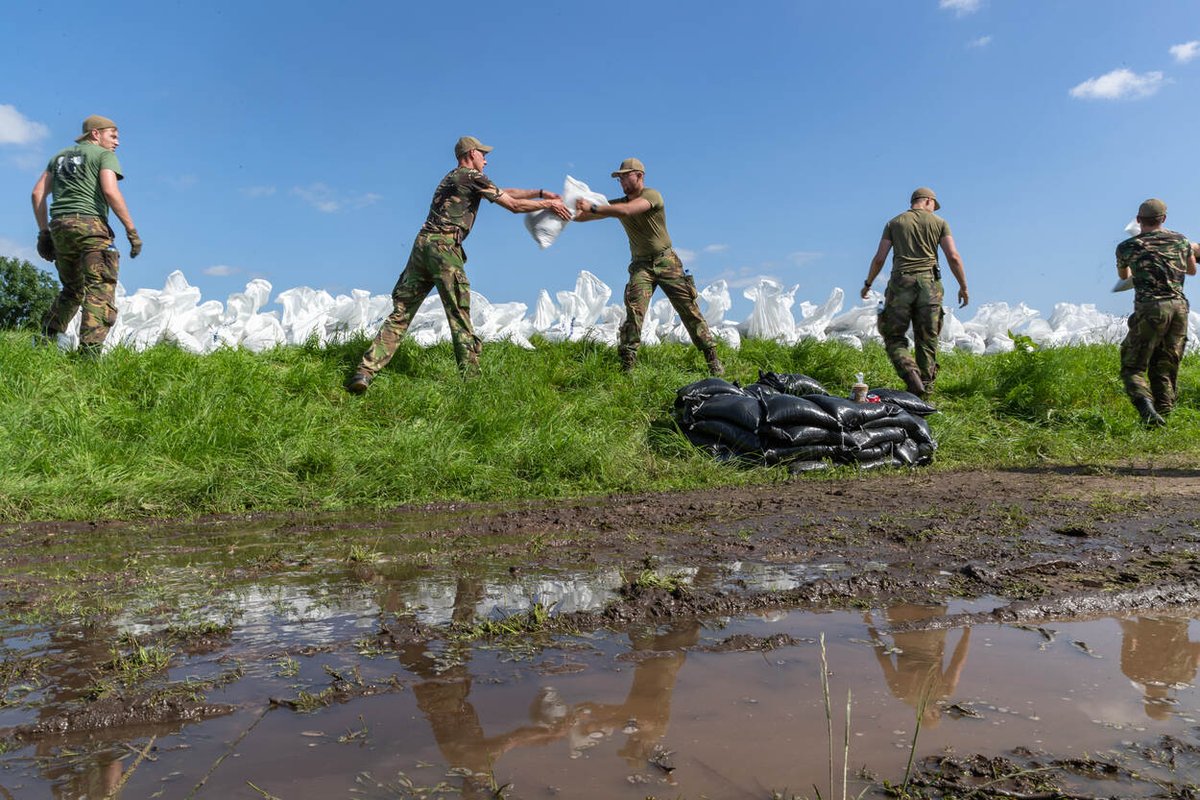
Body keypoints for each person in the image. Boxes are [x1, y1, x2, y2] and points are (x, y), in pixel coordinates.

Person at [346, 136, 569, 393]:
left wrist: (540, 192)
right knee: (459, 314)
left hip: (421, 247)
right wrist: (549, 204)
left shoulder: (454, 178)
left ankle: (364, 372)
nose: (486, 159)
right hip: (443, 248)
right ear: (471, 153)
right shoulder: (472, 176)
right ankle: (472, 384)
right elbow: (514, 205)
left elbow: (503, 192)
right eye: (483, 154)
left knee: (401, 314)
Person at [572, 158, 724, 376]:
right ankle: (627, 364)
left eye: (625, 175)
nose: (622, 180)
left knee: (688, 309)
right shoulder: (617, 205)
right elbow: (584, 216)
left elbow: (628, 210)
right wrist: (564, 210)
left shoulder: (652, 196)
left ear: (639, 176)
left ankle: (713, 360)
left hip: (666, 261)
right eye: (619, 178)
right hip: (641, 266)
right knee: (634, 311)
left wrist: (594, 207)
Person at [30, 114, 141, 354]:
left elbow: (37, 194)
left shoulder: (58, 157)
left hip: (60, 227)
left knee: (72, 289)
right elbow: (111, 192)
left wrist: (43, 233)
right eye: (113, 136)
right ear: (96, 133)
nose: (117, 142)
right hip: (90, 227)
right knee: (99, 287)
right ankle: (89, 354)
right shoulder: (104, 155)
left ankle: (44, 341)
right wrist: (131, 231)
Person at [861, 187, 967, 398]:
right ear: (928, 201)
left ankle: (910, 373)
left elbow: (880, 258)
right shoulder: (939, 223)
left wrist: (869, 283)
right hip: (930, 285)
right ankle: (924, 394)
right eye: (933, 206)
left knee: (893, 336)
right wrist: (963, 286)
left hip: (900, 284)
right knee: (927, 339)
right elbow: (953, 256)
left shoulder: (894, 222)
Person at [1115, 198, 1196, 427]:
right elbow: (1191, 271)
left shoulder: (1127, 247)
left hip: (1151, 308)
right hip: (1179, 308)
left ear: (1139, 220)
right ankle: (1165, 415)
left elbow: (1123, 276)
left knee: (1133, 366)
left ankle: (1146, 409)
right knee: (1166, 364)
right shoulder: (1182, 241)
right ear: (1164, 219)